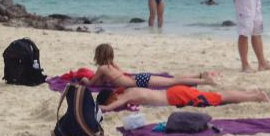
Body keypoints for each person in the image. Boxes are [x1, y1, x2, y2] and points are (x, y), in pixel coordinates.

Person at [90, 42, 219, 88]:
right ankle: (199, 75)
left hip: (139, 82)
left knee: (172, 82)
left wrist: (85, 79)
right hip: (138, 78)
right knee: (172, 80)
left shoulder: (102, 68)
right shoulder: (112, 66)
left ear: (99, 56)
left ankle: (205, 81)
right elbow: (118, 75)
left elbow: (92, 83)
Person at [99, 84, 269, 112]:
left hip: (176, 97)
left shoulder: (127, 95)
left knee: (219, 97)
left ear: (113, 97)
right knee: (217, 96)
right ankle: (252, 94)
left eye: (111, 100)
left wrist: (98, 107)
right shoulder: (128, 90)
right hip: (174, 93)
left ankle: (256, 96)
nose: (115, 102)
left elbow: (110, 107)